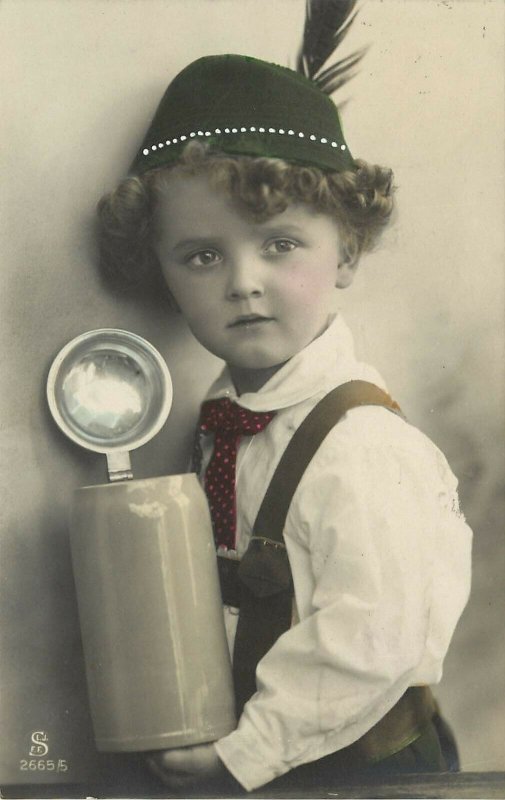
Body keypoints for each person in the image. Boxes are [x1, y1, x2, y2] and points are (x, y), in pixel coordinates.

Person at [95, 7, 472, 794]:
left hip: (365, 770)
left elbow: (370, 636)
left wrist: (243, 750)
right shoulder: (224, 422)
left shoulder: (362, 447)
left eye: (279, 244)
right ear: (159, 269)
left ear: (347, 250)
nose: (241, 282)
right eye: (202, 255)